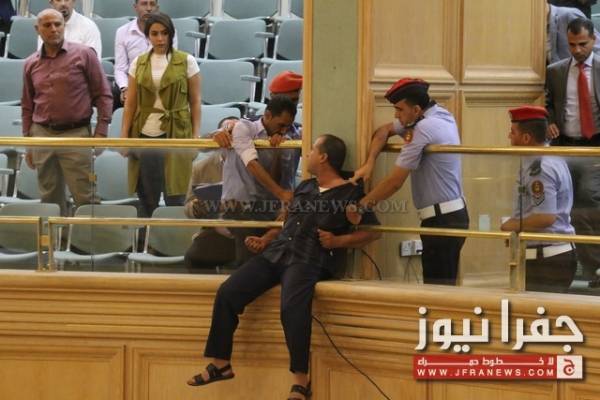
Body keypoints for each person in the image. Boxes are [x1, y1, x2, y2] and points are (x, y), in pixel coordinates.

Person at [186, 134, 381, 400]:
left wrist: (339, 241)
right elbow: (287, 224)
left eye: (312, 150)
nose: (308, 153)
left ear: (323, 157)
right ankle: (221, 364)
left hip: (309, 259)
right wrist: (266, 239)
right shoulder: (305, 187)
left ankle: (301, 381)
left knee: (292, 309)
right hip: (277, 253)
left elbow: (373, 233)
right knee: (228, 292)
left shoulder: (351, 193)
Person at [350, 78, 469, 285]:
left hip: (442, 221)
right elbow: (383, 131)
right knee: (441, 288)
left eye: (399, 110)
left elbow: (395, 182)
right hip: (451, 215)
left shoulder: (422, 128)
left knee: (438, 292)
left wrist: (361, 207)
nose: (396, 115)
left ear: (415, 109)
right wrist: (370, 162)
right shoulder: (439, 115)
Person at [21, 8, 113, 215]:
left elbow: (103, 95)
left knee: (86, 196)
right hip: (42, 134)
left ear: (64, 26)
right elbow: (27, 106)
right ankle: (57, 236)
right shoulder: (30, 63)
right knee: (49, 197)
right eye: (47, 25)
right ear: (37, 29)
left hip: (76, 134)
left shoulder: (84, 54)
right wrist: (29, 143)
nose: (54, 29)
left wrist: (101, 132)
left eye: (58, 24)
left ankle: (89, 236)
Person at [120, 12, 201, 218]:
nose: (160, 38)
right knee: (148, 196)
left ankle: (176, 235)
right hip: (145, 134)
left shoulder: (187, 61)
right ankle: (148, 234)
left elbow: (195, 101)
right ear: (148, 36)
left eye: (165, 33)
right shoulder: (138, 62)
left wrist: (195, 137)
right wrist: (124, 137)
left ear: (171, 35)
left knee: (177, 193)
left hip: (177, 133)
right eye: (154, 34)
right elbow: (130, 103)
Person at [546, 17, 600, 286]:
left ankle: (596, 269)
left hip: (595, 148)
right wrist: (549, 121)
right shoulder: (556, 71)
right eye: (571, 45)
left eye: (582, 44)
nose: (577, 50)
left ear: (594, 40)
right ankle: (588, 270)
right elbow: (548, 103)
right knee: (566, 207)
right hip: (566, 146)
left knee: (587, 202)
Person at [500, 106, 577, 292]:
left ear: (526, 138)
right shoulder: (545, 160)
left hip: (548, 261)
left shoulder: (541, 168)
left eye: (513, 132)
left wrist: (511, 225)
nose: (509, 137)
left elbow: (545, 217)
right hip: (549, 256)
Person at [220, 95, 297, 266]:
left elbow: (281, 181)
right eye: (281, 125)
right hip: (238, 206)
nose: (284, 130)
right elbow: (251, 163)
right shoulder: (243, 127)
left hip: (265, 209)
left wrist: (277, 153)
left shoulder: (287, 142)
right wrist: (281, 194)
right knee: (249, 257)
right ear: (268, 115)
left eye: (288, 126)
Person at [183, 116, 239, 270]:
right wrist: (196, 207)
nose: (230, 139)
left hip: (249, 229)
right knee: (194, 257)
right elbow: (188, 206)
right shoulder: (201, 168)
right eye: (227, 134)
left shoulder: (255, 162)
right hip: (216, 229)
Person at [115, 0, 178, 105]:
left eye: (152, 4)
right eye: (144, 4)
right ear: (135, 7)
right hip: (132, 84)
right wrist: (125, 88)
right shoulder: (122, 32)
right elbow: (120, 68)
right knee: (112, 93)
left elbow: (169, 64)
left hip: (160, 84)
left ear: (157, 8)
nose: (149, 8)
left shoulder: (169, 32)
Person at [37, 0, 102, 59]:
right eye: (58, 0)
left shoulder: (89, 27)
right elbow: (42, 60)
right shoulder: (45, 27)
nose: (63, 4)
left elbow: (94, 62)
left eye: (67, 0)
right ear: (51, 2)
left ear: (74, 1)